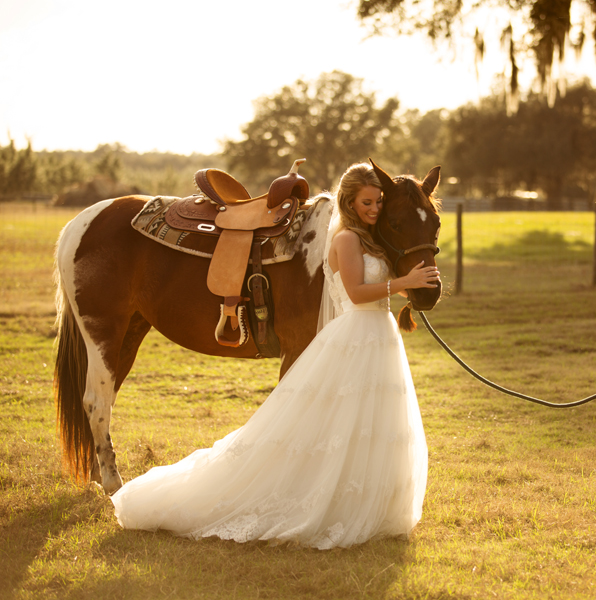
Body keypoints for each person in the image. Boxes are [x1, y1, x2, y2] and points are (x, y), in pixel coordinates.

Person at [111, 162, 441, 549]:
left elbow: (376, 283)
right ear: (349, 203)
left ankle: (362, 501)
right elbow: (355, 292)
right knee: (342, 422)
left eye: (377, 203)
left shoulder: (371, 240)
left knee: (370, 423)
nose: (374, 209)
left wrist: (409, 288)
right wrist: (404, 282)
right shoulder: (348, 240)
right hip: (358, 335)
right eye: (366, 202)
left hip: (378, 338)